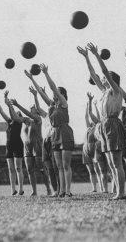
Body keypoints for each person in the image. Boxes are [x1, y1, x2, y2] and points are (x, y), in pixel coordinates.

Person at [78, 44, 126, 199]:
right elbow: (94, 74)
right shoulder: (104, 92)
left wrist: (97, 55)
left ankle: (121, 193)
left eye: (106, 77)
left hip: (113, 124)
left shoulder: (115, 91)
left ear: (112, 80)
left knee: (116, 162)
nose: (103, 78)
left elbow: (104, 71)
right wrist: (86, 57)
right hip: (103, 126)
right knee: (111, 163)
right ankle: (117, 191)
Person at [39, 64, 75, 197]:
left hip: (65, 132)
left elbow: (53, 88)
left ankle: (68, 190)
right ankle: (61, 190)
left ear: (62, 95)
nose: (54, 94)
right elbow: (41, 93)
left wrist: (46, 73)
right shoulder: (51, 105)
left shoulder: (64, 103)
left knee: (66, 164)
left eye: (58, 93)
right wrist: (32, 79)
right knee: (58, 165)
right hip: (54, 134)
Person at [24, 71, 59, 196]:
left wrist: (39, 92)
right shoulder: (44, 115)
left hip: (54, 139)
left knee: (55, 167)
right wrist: (35, 95)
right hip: (45, 142)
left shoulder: (55, 112)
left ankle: (60, 189)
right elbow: (39, 107)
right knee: (49, 167)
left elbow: (45, 101)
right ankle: (55, 190)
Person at [9, 97, 50, 196]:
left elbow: (28, 114)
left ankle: (48, 189)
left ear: (37, 111)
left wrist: (17, 104)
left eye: (34, 107)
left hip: (37, 146)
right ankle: (34, 191)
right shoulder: (26, 120)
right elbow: (14, 118)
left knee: (42, 169)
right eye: (32, 106)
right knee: (29, 170)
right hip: (27, 148)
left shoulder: (38, 119)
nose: (33, 107)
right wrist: (9, 106)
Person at [0, 91, 24, 196]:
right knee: (11, 169)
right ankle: (13, 190)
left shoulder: (20, 121)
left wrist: (9, 104)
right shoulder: (9, 122)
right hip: (9, 146)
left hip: (18, 145)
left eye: (18, 113)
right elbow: (2, 112)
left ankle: (21, 189)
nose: (16, 114)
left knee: (18, 168)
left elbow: (12, 112)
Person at [83, 93, 102, 192]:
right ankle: (94, 188)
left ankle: (102, 187)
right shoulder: (88, 127)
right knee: (91, 170)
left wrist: (94, 106)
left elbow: (98, 116)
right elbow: (86, 117)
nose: (91, 121)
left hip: (94, 148)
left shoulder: (97, 126)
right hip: (86, 148)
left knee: (97, 169)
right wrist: (87, 106)